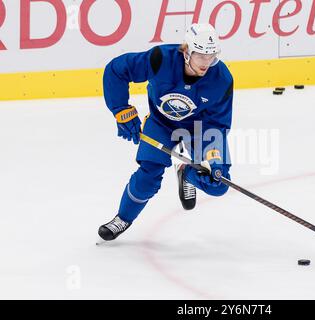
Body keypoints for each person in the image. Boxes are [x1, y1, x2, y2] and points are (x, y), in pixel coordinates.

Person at [98, 23, 234, 241]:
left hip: (199, 128)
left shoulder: (222, 79)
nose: (206, 63)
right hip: (161, 123)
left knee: (219, 184)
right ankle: (122, 218)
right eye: (201, 56)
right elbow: (117, 70)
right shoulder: (161, 58)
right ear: (187, 51)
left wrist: (214, 160)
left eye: (212, 56)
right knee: (148, 176)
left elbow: (217, 124)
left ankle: (188, 173)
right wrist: (121, 109)